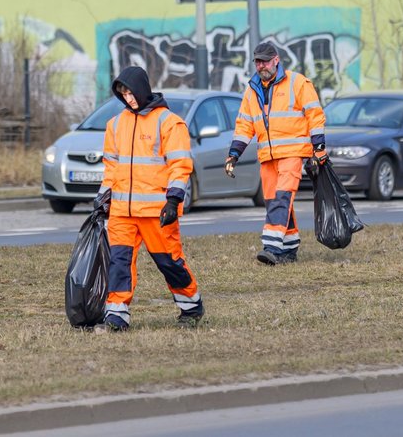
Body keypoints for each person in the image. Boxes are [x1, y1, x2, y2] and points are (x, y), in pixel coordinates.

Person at [94, 66, 205, 331]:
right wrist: (102, 197)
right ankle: (117, 315)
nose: (128, 98)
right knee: (119, 262)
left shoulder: (168, 122)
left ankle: (191, 306)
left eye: (131, 92)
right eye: (123, 94)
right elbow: (111, 166)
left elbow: (180, 165)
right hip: (122, 211)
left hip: (157, 211)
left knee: (169, 263)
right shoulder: (116, 124)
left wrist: (173, 200)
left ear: (141, 90)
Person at [225, 42, 327, 265]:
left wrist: (318, 147)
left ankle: (271, 247)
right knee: (274, 201)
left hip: (293, 153)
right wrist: (234, 154)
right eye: (257, 61)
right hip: (268, 156)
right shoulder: (252, 89)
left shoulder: (297, 82)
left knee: (282, 197)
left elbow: (315, 116)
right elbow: (244, 125)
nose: (261, 66)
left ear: (276, 60)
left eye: (265, 61)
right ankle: (289, 249)